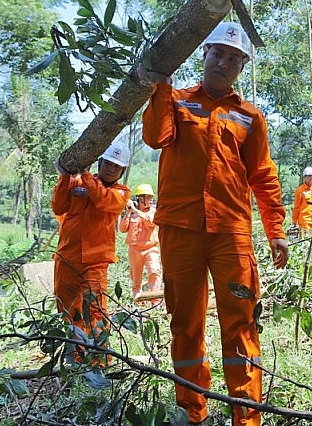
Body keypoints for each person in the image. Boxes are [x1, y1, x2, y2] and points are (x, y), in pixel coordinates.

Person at [139, 21, 289, 426]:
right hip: (180, 228)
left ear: (241, 67)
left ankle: (248, 416)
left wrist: (275, 231)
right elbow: (155, 138)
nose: (223, 63)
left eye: (233, 59)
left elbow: (263, 176)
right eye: (217, 54)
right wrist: (158, 89)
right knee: (184, 322)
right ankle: (192, 411)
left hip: (231, 232)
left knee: (240, 323)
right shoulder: (177, 99)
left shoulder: (250, 117)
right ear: (204, 54)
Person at [50, 142, 131, 363]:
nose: (110, 169)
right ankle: (74, 362)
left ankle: (98, 362)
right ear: (100, 162)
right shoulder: (76, 182)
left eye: (116, 167)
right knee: (68, 310)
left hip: (95, 262)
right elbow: (58, 207)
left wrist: (83, 172)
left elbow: (102, 200)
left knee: (94, 311)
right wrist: (66, 176)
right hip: (67, 257)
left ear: (122, 171)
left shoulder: (121, 193)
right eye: (108, 163)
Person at [118, 183, 162, 304]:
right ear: (140, 198)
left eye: (150, 197)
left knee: (154, 271)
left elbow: (151, 222)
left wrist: (136, 211)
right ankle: (138, 303)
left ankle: (155, 301)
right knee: (136, 279)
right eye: (147, 197)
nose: (149, 200)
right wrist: (128, 213)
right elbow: (122, 229)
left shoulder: (152, 211)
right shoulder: (132, 212)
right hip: (134, 250)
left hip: (150, 248)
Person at [292, 166, 312, 237]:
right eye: (309, 176)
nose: (311, 177)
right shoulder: (300, 190)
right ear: (304, 177)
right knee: (305, 241)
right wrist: (294, 221)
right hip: (305, 221)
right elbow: (296, 207)